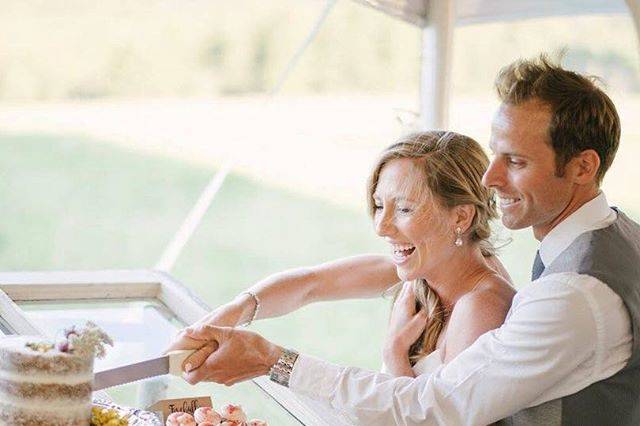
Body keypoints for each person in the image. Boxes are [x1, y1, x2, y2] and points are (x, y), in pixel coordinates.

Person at [169, 55, 640, 425]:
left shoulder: (572, 295)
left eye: (515, 161)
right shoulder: (609, 244)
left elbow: (434, 411)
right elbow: (312, 282)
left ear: (583, 167)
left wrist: (272, 360)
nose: (491, 178)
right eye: (494, 155)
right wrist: (237, 310)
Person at [169, 130, 515, 380]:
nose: (382, 227)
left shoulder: (480, 305)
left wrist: (394, 355)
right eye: (380, 206)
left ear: (461, 216)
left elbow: (429, 417)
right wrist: (226, 317)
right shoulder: (429, 268)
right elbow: (312, 284)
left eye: (405, 209)